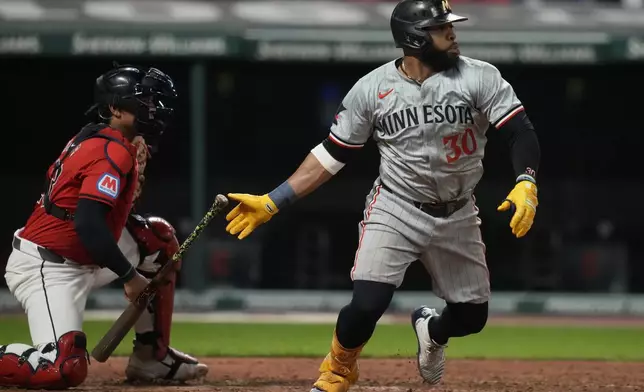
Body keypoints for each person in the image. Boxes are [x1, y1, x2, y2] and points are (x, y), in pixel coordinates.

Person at [224, 0, 541, 390]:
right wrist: (274, 200)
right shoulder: (372, 89)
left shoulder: (480, 76)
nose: (452, 32)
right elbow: (331, 155)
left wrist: (526, 180)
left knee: (472, 318)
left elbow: (520, 132)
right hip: (396, 206)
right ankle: (338, 369)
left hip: (458, 210)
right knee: (368, 303)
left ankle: (432, 330)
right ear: (414, 37)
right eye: (441, 27)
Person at [0, 64, 207, 389]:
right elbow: (88, 224)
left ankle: (151, 358)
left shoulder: (99, 137)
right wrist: (130, 277)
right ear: (114, 108)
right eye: (143, 103)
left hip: (82, 253)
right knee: (63, 367)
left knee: (157, 240)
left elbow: (103, 220)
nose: (152, 110)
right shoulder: (110, 149)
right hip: (49, 266)